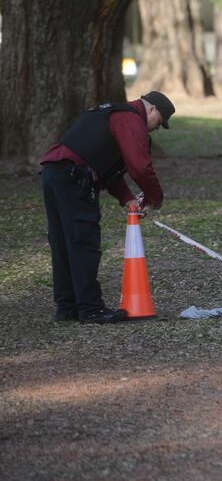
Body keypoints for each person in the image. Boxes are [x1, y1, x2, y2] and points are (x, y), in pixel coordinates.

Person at [39, 91, 175, 324]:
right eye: (159, 123)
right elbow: (139, 168)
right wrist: (155, 197)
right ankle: (91, 309)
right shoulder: (131, 119)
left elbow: (108, 170)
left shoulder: (112, 112)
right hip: (75, 176)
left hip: (53, 172)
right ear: (151, 109)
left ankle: (67, 306)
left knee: (62, 241)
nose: (155, 129)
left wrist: (128, 199)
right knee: (83, 241)